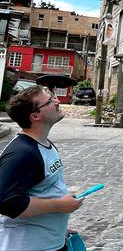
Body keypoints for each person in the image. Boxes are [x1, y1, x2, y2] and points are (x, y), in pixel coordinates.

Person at [0, 86, 83, 251]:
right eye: (50, 100)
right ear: (35, 116)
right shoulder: (21, 153)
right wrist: (59, 205)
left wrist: (60, 229)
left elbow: (43, 189)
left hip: (50, 242)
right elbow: (7, 203)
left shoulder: (44, 144)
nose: (57, 101)